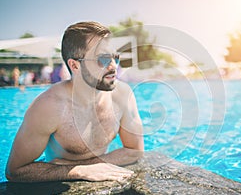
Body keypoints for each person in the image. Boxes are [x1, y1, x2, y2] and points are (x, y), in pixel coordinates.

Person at [6, 21, 144, 182]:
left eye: (116, 57)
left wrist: (87, 166)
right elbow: (14, 171)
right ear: (75, 65)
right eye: (103, 59)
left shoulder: (123, 95)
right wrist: (75, 171)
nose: (113, 66)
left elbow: (135, 151)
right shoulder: (49, 107)